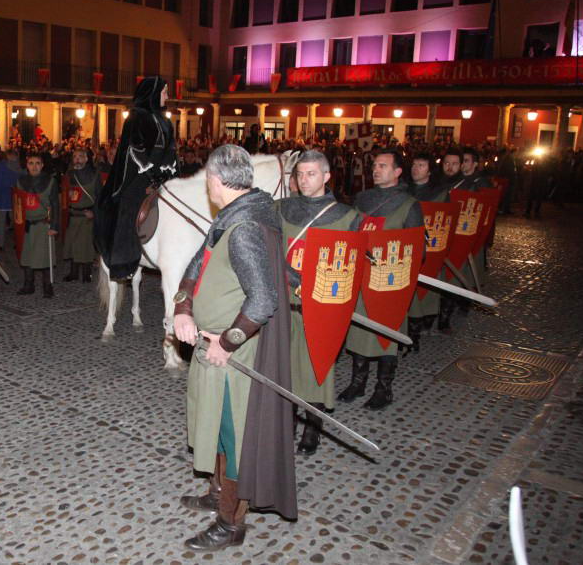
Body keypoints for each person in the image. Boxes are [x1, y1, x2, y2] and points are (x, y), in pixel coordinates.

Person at [172, 144, 294, 552]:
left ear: (215, 179)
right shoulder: (230, 218)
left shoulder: (243, 230)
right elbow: (196, 266)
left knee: (232, 436)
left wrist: (226, 342)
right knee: (212, 424)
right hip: (212, 348)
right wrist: (184, 308)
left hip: (234, 356)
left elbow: (262, 301)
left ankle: (230, 521)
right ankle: (216, 491)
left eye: (207, 176)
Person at [272, 150, 360, 455]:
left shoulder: (348, 217)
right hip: (283, 303)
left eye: (311, 174)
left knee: (315, 370)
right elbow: (265, 244)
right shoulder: (281, 208)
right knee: (283, 367)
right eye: (299, 174)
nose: (304, 180)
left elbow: (352, 267)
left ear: (326, 176)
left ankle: (313, 426)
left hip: (322, 305)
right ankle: (285, 422)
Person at [340, 149, 422, 411]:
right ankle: (358, 382)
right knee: (359, 330)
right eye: (375, 165)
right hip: (362, 277)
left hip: (390, 281)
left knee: (387, 333)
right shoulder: (362, 199)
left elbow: (418, 249)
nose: (376, 170)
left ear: (398, 172)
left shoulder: (409, 205)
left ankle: (383, 388)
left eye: (383, 166)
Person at [95, 76, 177, 280]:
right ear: (153, 94)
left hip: (163, 175)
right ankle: (123, 261)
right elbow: (135, 149)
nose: (167, 95)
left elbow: (171, 149)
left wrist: (169, 171)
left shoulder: (166, 121)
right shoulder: (136, 118)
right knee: (129, 204)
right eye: (164, 91)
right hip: (140, 175)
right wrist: (151, 175)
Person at [406, 152, 447, 350]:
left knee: (428, 282)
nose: (416, 168)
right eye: (414, 164)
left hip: (429, 243)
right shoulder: (403, 190)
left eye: (421, 165)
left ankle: (427, 317)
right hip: (407, 244)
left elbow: (444, 219)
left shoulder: (438, 193)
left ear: (429, 170)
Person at [15, 152, 60, 297]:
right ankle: (29, 285)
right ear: (26, 165)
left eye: (37, 163)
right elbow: (17, 204)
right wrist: (17, 224)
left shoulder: (50, 181)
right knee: (27, 255)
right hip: (26, 225)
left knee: (45, 257)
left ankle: (47, 286)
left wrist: (54, 226)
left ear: (42, 165)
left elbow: (55, 204)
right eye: (31, 163)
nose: (34, 166)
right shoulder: (20, 181)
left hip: (43, 224)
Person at [62, 149, 101, 283]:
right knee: (73, 244)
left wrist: (94, 212)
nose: (77, 159)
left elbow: (100, 197)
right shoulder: (69, 174)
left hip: (86, 215)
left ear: (86, 159)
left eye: (80, 156)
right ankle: (73, 273)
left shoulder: (94, 175)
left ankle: (86, 274)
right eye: (75, 156)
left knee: (85, 246)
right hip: (73, 214)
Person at [0, 148, 21, 250]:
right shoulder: (19, 166)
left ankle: (1, 244)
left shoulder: (2, 166)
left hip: (3, 196)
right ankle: (18, 242)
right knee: (16, 221)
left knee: (2, 221)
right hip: (15, 196)